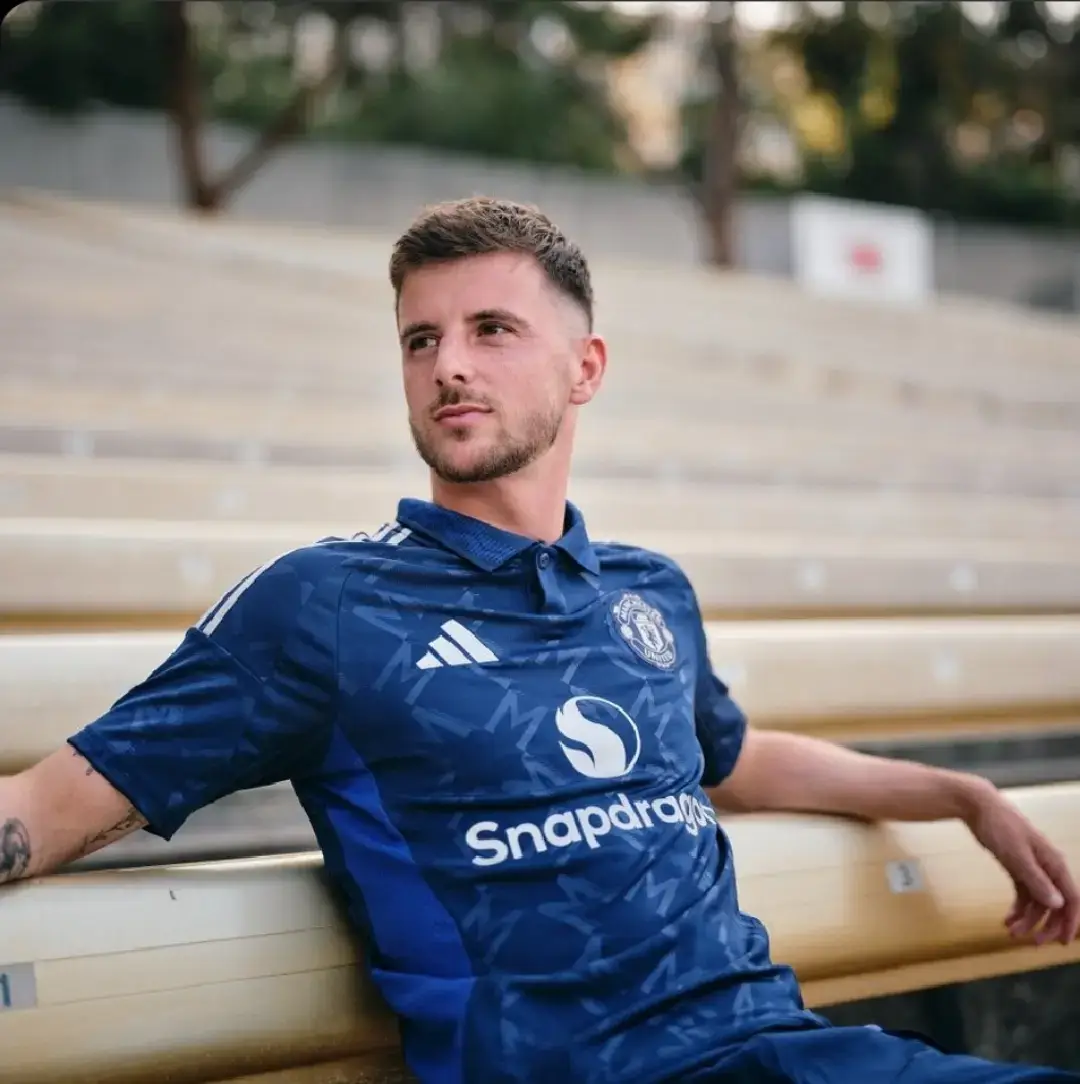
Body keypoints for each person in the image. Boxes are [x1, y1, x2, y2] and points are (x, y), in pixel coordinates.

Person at [1, 197, 1077, 1084]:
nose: (447, 366)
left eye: (491, 330)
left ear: (586, 368)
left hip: (780, 1051)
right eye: (421, 339)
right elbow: (46, 811)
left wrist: (959, 794)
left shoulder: (645, 590)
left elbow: (734, 760)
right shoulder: (325, 603)